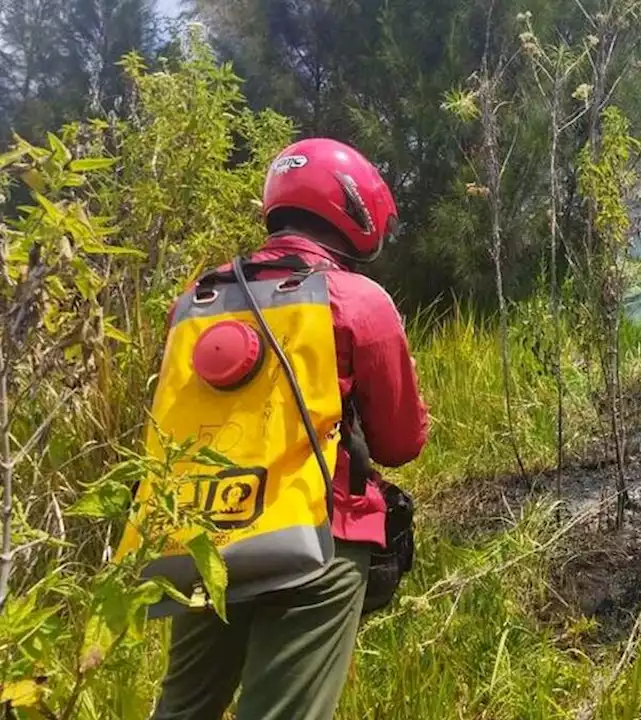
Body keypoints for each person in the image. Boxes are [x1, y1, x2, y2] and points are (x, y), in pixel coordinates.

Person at [149, 138, 429, 720]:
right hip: (315, 546)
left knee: (182, 708)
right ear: (356, 210)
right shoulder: (358, 301)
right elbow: (401, 444)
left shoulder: (198, 299)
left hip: (205, 539)